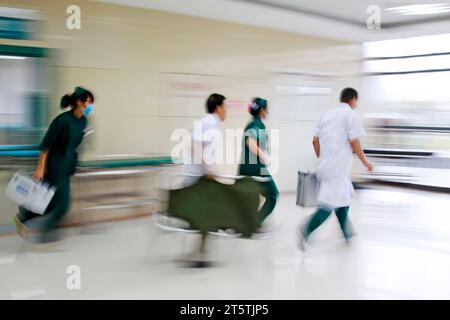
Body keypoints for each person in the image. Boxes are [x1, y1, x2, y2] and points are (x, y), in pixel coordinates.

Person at [15, 86, 95, 243]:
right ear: (79, 102)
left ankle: (24, 216)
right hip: (55, 166)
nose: (90, 105)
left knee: (49, 202)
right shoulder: (61, 121)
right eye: (88, 101)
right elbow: (46, 146)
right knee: (62, 206)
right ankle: (44, 237)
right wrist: (39, 169)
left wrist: (77, 165)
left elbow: (77, 145)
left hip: (68, 167)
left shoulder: (84, 121)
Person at [298, 87, 373, 251]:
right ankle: (306, 229)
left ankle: (347, 233)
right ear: (353, 99)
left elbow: (314, 141)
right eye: (356, 102)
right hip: (337, 168)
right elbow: (355, 142)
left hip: (326, 166)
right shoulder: (351, 115)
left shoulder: (325, 115)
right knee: (328, 204)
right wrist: (365, 162)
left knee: (343, 198)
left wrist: (322, 158)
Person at [238, 97, 279, 231]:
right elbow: (250, 142)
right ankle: (254, 223)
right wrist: (265, 157)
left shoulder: (252, 123)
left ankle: (246, 222)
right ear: (262, 110)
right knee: (272, 194)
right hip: (256, 168)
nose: (268, 111)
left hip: (246, 166)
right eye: (266, 108)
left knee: (251, 196)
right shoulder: (257, 124)